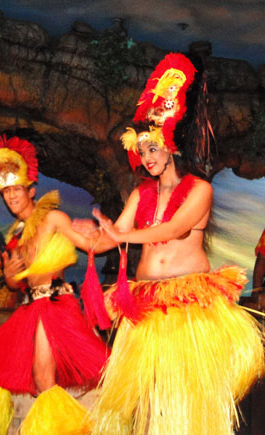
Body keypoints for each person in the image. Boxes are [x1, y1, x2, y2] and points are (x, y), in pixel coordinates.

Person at [82, 53, 265, 435]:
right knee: (147, 404)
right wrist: (79, 233)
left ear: (171, 147)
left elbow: (175, 230)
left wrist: (121, 236)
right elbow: (108, 238)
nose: (147, 157)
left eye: (153, 149)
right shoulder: (140, 194)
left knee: (179, 402)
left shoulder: (200, 189)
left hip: (186, 306)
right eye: (142, 150)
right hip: (147, 305)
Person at [0, 135, 109, 435]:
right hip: (30, 309)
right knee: (3, 377)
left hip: (54, 308)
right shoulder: (15, 235)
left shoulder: (53, 217)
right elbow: (15, 285)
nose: (11, 196)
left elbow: (92, 245)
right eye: (6, 192)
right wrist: (11, 275)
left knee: (45, 380)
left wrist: (112, 233)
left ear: (31, 191)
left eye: (16, 189)